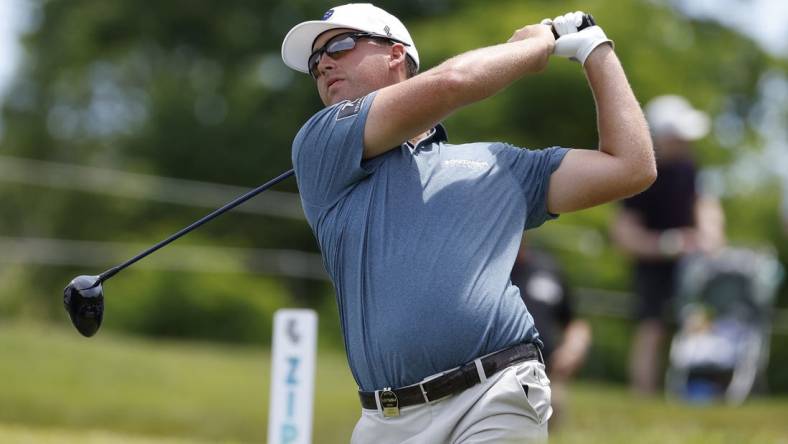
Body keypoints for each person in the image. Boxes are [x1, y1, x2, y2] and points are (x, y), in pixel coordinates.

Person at [281, 4, 656, 442]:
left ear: (396, 55)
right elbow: (452, 83)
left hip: (496, 391)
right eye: (314, 61)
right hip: (384, 420)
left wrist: (595, 49)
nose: (323, 62)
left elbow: (632, 167)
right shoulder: (320, 144)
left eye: (340, 45)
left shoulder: (499, 162)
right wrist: (531, 47)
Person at [611, 95, 725, 396]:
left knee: (701, 329)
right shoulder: (641, 174)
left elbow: (707, 208)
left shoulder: (690, 170)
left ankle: (698, 392)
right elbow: (624, 235)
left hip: (692, 265)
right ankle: (643, 393)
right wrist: (667, 245)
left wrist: (709, 237)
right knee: (651, 329)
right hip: (653, 266)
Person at [510, 241, 591, 430]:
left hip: (547, 373)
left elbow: (574, 321)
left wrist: (575, 346)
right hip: (497, 374)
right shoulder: (487, 271)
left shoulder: (548, 268)